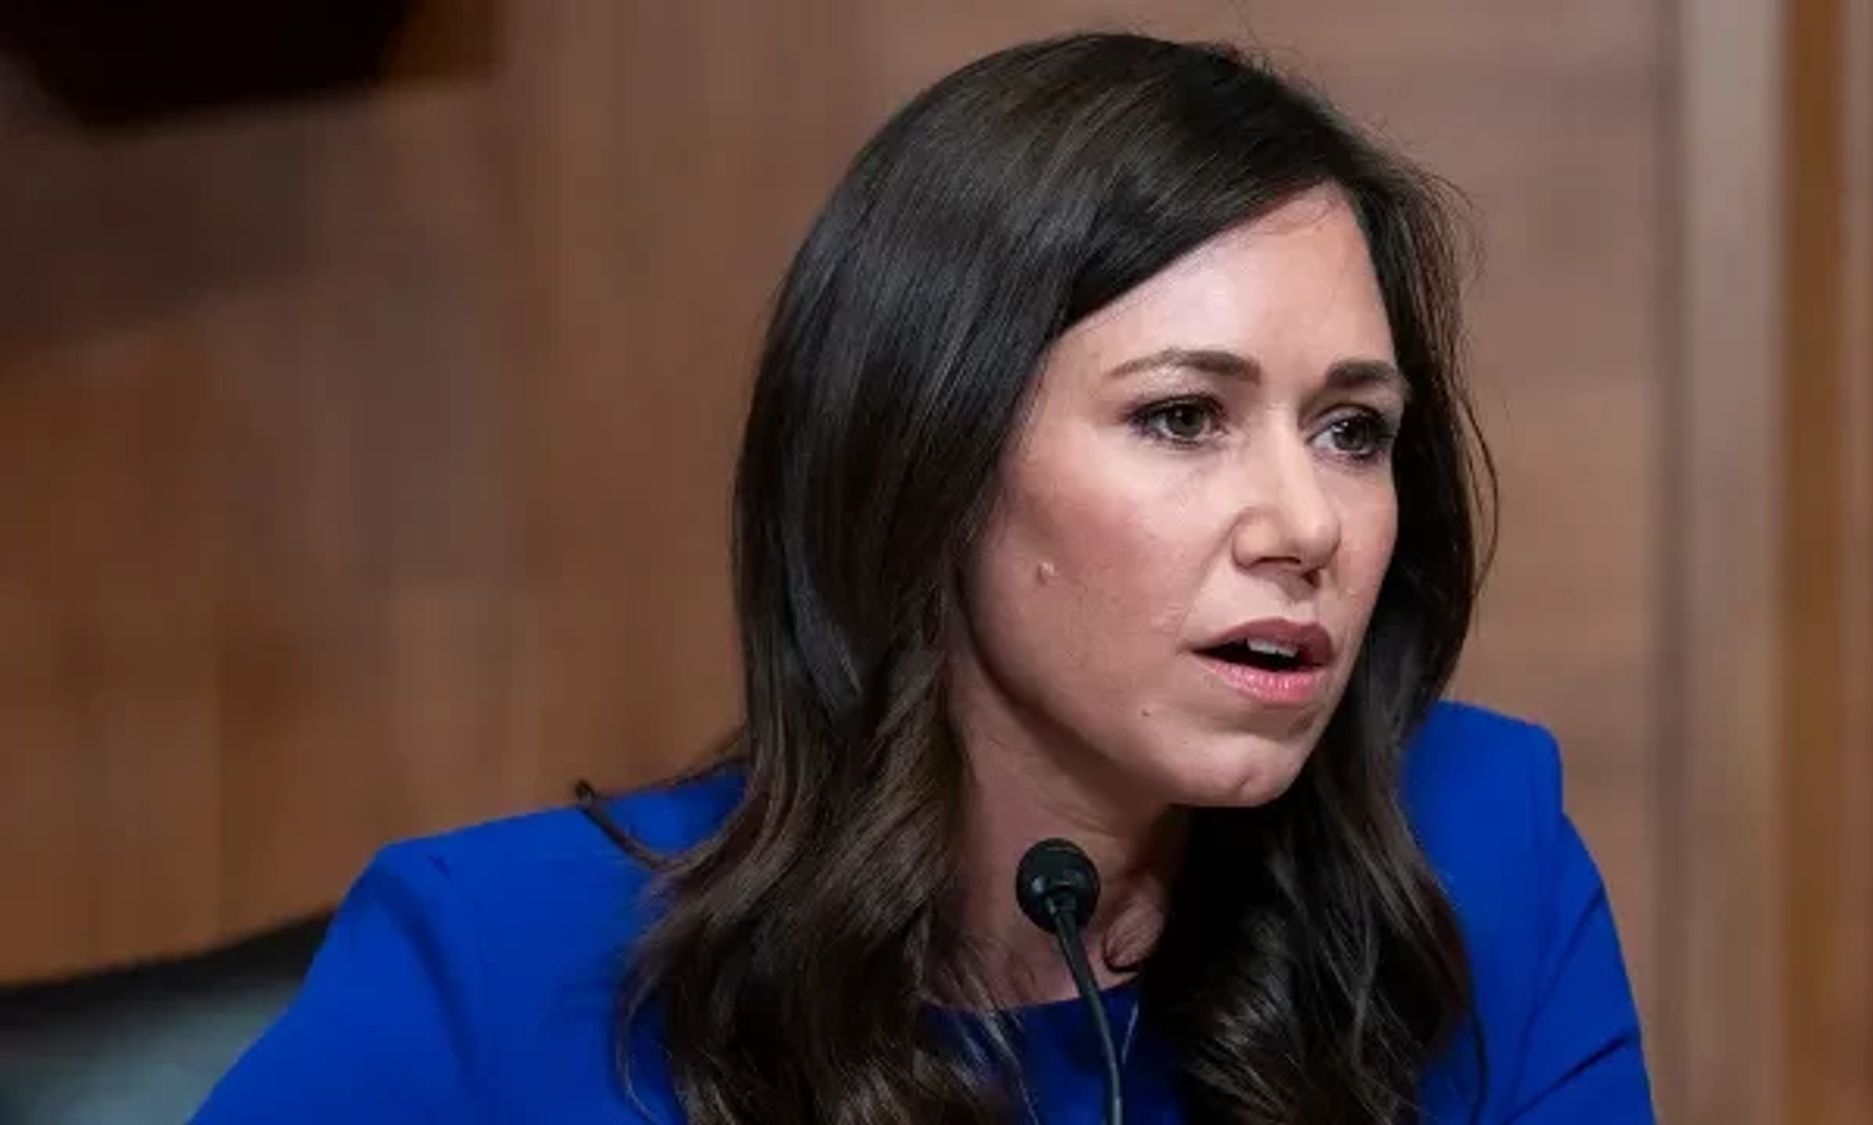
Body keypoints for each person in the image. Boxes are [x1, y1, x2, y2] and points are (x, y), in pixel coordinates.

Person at [196, 32, 1651, 1124]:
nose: (1304, 522)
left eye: (1351, 430)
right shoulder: (495, 971)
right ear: (928, 459)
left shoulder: (1477, 867)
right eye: (1182, 416)